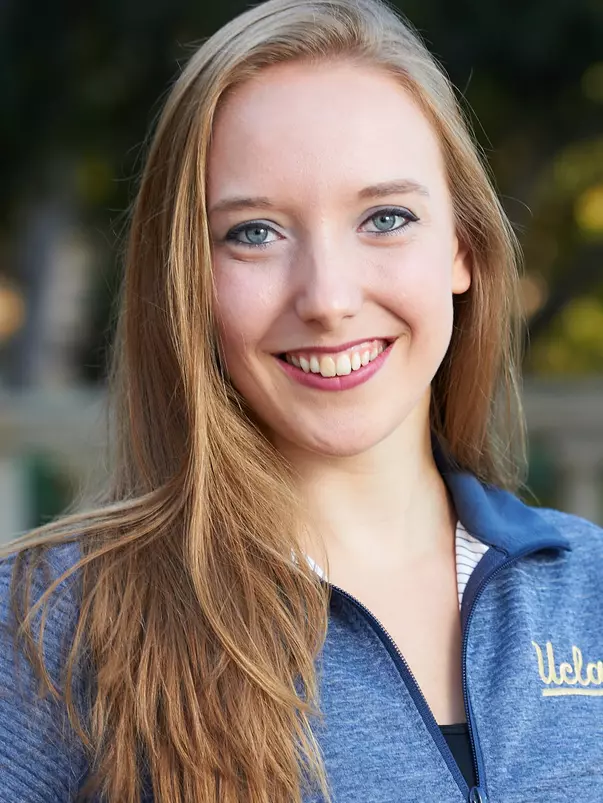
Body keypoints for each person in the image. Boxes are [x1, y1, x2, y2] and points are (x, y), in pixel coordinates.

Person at [2, 0, 603, 801]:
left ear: (461, 246)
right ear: (188, 276)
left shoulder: (587, 588)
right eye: (253, 232)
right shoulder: (53, 622)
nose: (326, 297)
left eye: (384, 218)